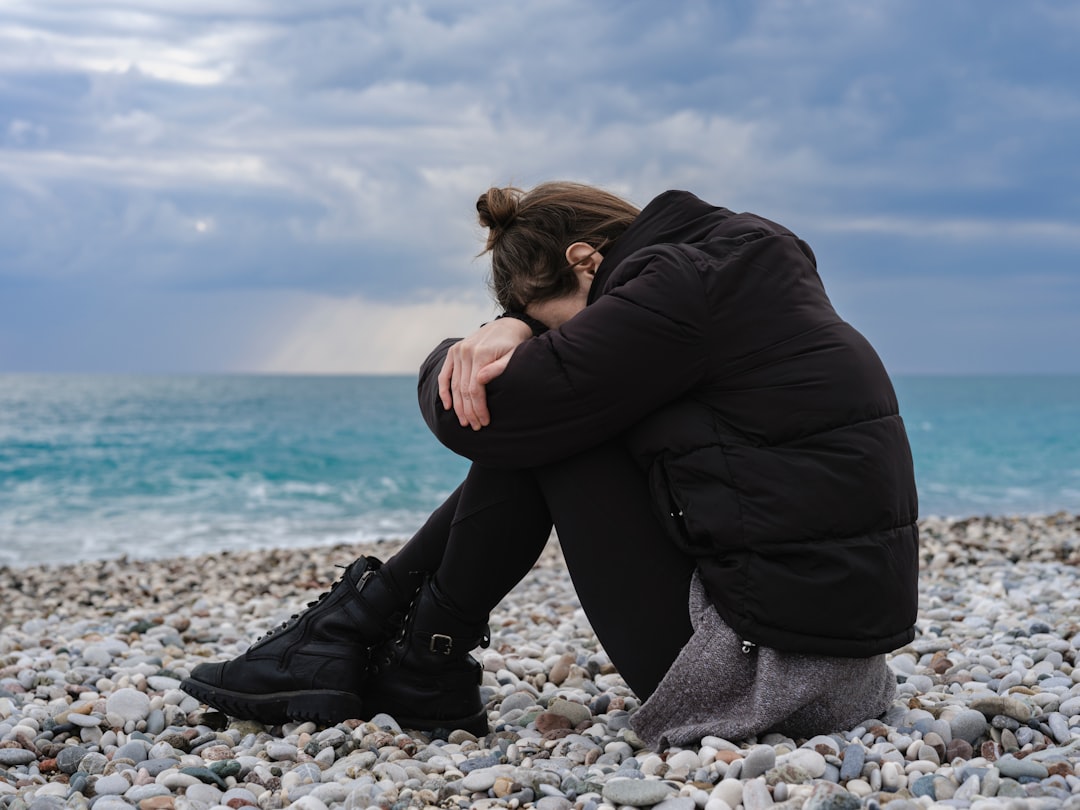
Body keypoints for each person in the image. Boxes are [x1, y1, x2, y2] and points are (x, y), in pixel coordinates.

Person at [182, 182, 919, 747]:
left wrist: (464, 352)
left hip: (771, 678)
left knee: (551, 430)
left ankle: (384, 649)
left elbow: (487, 417)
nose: (554, 339)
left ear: (584, 261)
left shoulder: (674, 290)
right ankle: (396, 654)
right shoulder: (730, 263)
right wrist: (517, 325)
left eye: (550, 324)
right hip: (842, 666)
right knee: (562, 418)